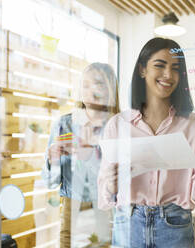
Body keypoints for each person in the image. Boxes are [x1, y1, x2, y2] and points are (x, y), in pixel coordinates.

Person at [97, 37, 195, 248]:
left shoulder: (194, 125)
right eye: (160, 65)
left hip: (175, 226)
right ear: (142, 69)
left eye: (175, 68)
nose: (168, 75)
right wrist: (111, 184)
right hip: (128, 223)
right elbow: (104, 195)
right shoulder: (117, 125)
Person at [43, 62, 120, 247]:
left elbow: (122, 181)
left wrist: (89, 155)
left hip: (108, 212)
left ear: (110, 89)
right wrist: (52, 161)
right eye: (85, 85)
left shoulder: (118, 126)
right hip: (71, 212)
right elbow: (50, 181)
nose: (90, 90)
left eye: (98, 84)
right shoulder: (64, 124)